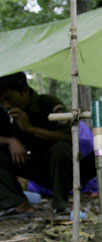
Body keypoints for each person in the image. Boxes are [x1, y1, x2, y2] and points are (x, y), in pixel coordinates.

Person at [0, 72, 73, 216]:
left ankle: (60, 205)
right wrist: (10, 141)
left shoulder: (47, 103)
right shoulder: (5, 112)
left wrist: (30, 129)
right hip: (32, 164)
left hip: (62, 168)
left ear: (24, 91)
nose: (6, 104)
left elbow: (69, 137)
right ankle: (18, 203)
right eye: (1, 101)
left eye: (8, 98)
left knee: (61, 149)